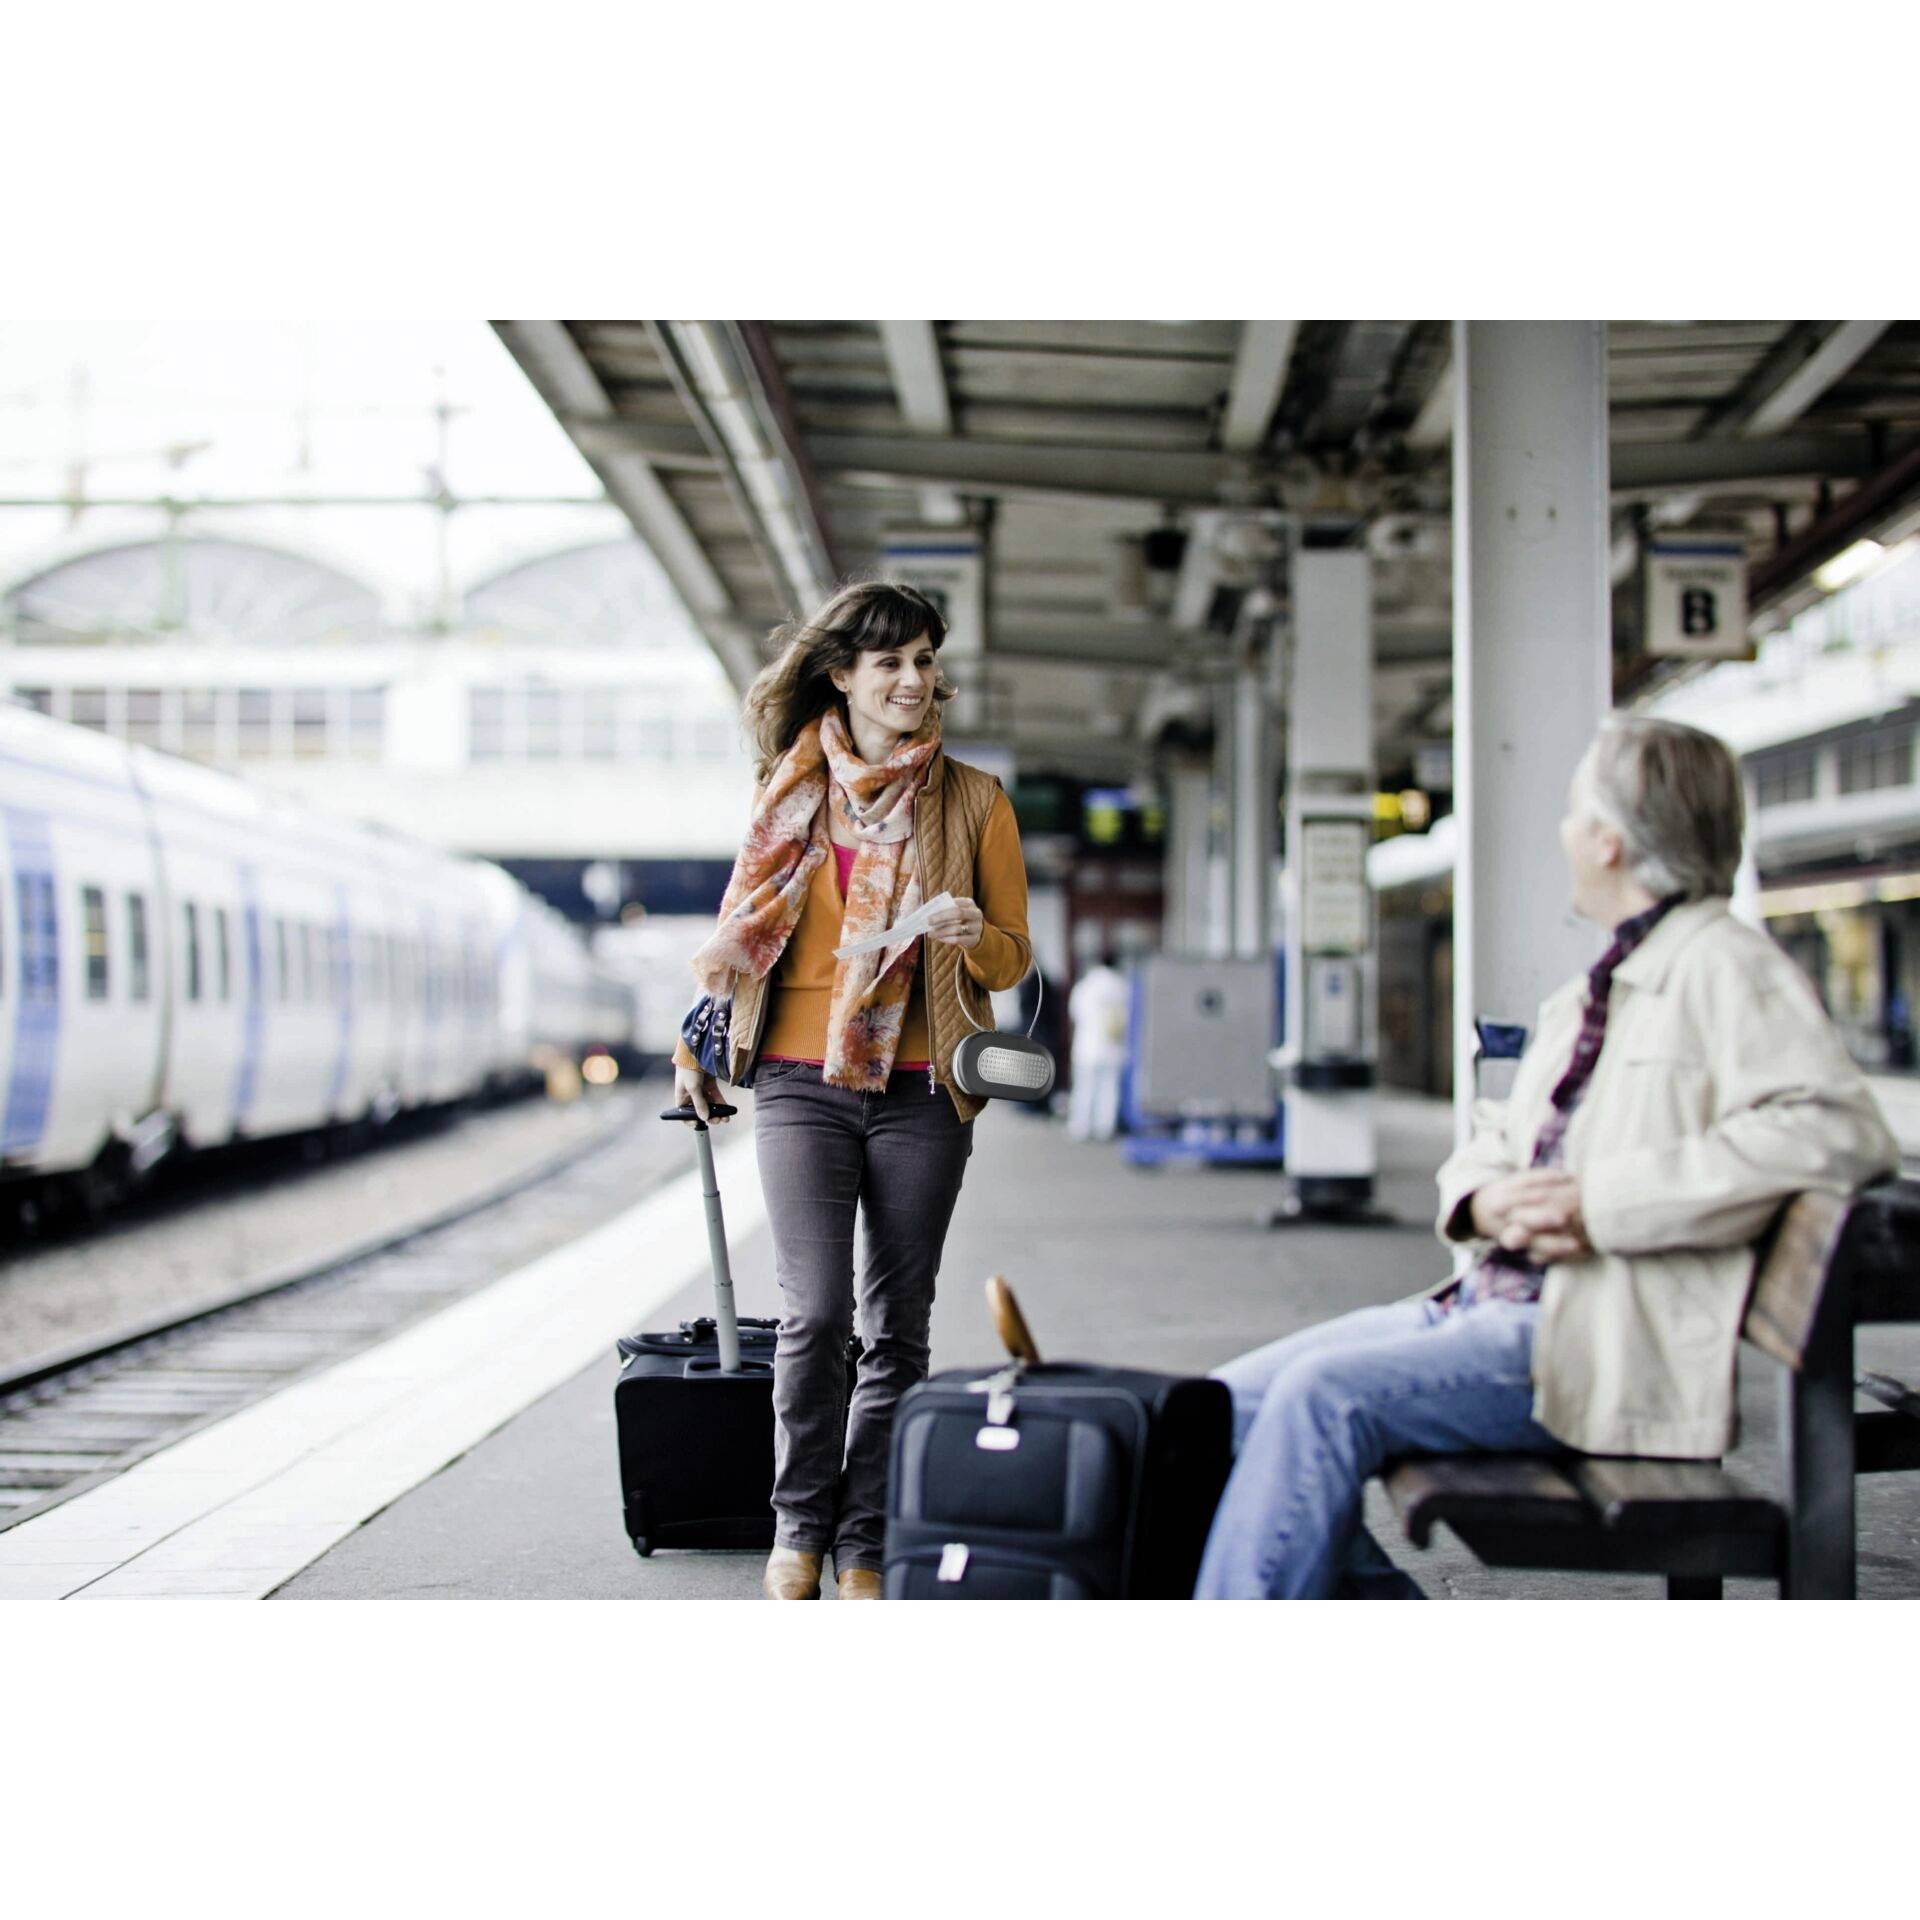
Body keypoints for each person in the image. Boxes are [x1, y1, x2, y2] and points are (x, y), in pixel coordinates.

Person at [1195, 714, 1898, 1600]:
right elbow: (1493, 1142)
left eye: (1573, 812)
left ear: (1608, 841)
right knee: (1212, 1413)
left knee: (1319, 1400)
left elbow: (1837, 1129)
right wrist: (1486, 1206)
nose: (1562, 834)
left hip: (1585, 1342)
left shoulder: (1726, 966)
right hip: (1486, 1307)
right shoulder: (1591, 989)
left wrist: (1597, 1203)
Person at [672, 580, 1032, 1601]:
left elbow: (1013, 962)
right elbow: (742, 932)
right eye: (891, 664)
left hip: (924, 1091)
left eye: (925, 661)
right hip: (797, 1081)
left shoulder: (973, 802)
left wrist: (975, 937)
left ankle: (866, 1540)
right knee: (816, 1313)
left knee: (897, 1322)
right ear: (843, 676)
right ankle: (798, 1525)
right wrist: (696, 1041)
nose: (915, 681)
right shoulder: (789, 790)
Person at [1066, 949, 1130, 1141]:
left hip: (1087, 1046)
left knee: (1084, 1088)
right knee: (1109, 1089)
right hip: (1112, 1047)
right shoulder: (1122, 986)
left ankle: (1081, 1127)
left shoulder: (1086, 985)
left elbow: (1075, 1012)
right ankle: (1105, 1128)